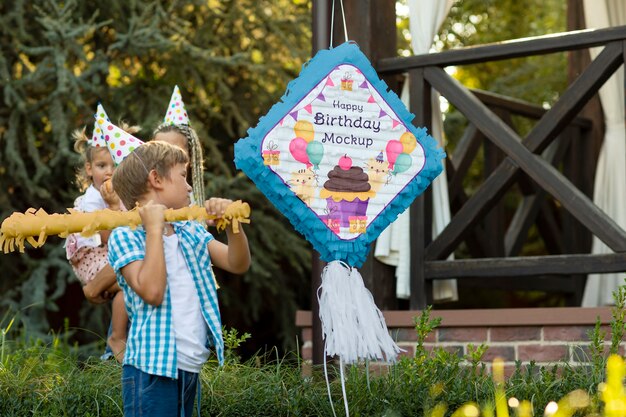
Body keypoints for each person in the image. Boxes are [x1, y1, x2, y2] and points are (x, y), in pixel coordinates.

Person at [106, 129, 250, 416]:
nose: (189, 187)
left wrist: (233, 225)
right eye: (183, 176)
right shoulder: (125, 236)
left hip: (189, 368)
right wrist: (155, 230)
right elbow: (153, 292)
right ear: (156, 179)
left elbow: (237, 263)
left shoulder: (190, 231)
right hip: (150, 371)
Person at [66, 104, 135, 362]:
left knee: (130, 287)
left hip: (109, 255)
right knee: (131, 280)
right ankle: (117, 336)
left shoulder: (122, 196)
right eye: (102, 165)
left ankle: (118, 337)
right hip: (92, 255)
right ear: (89, 169)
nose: (109, 171)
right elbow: (107, 237)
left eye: (115, 165)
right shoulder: (93, 199)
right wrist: (116, 208)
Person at [152, 85, 206, 205]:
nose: (166, 157)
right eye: (160, 149)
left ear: (191, 156)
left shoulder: (195, 204)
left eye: (176, 151)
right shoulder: (144, 198)